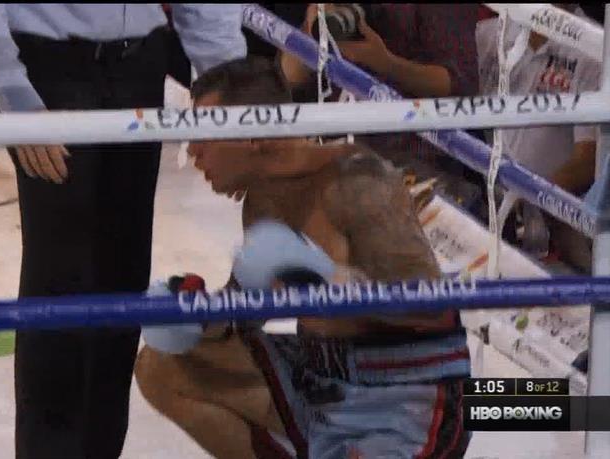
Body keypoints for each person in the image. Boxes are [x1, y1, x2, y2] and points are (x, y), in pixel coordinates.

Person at [135, 57, 471, 459]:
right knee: (162, 365)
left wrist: (327, 279)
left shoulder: (359, 181)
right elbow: (249, 307)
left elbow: (428, 308)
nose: (192, 152)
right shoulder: (263, 199)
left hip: (407, 394)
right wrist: (198, 315)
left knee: (543, 404)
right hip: (321, 382)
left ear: (252, 136)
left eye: (203, 136)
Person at [0, 5, 246, 458]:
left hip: (140, 67)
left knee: (125, 275)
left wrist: (232, 92)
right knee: (59, 282)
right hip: (50, 70)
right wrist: (14, 95)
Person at [278, 3, 486, 215]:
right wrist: (312, 27)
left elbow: (460, 84)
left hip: (409, 154)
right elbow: (289, 75)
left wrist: (385, 63)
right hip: (334, 146)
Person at [476, 3, 601, 271]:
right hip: (482, 200)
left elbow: (588, 161)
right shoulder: (490, 34)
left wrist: (527, 195)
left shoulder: (593, 50)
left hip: (551, 229)